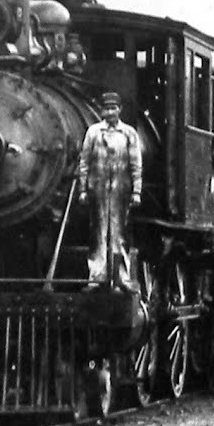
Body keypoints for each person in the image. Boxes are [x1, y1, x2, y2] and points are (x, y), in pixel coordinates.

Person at [76, 91, 142, 290]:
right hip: (98, 188)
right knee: (98, 232)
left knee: (119, 233)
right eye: (106, 109)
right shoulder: (93, 132)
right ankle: (96, 276)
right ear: (102, 111)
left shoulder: (129, 133)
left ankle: (121, 277)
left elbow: (136, 164)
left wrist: (137, 191)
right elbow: (84, 162)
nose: (110, 112)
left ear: (119, 110)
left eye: (113, 108)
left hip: (121, 188)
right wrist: (83, 189)